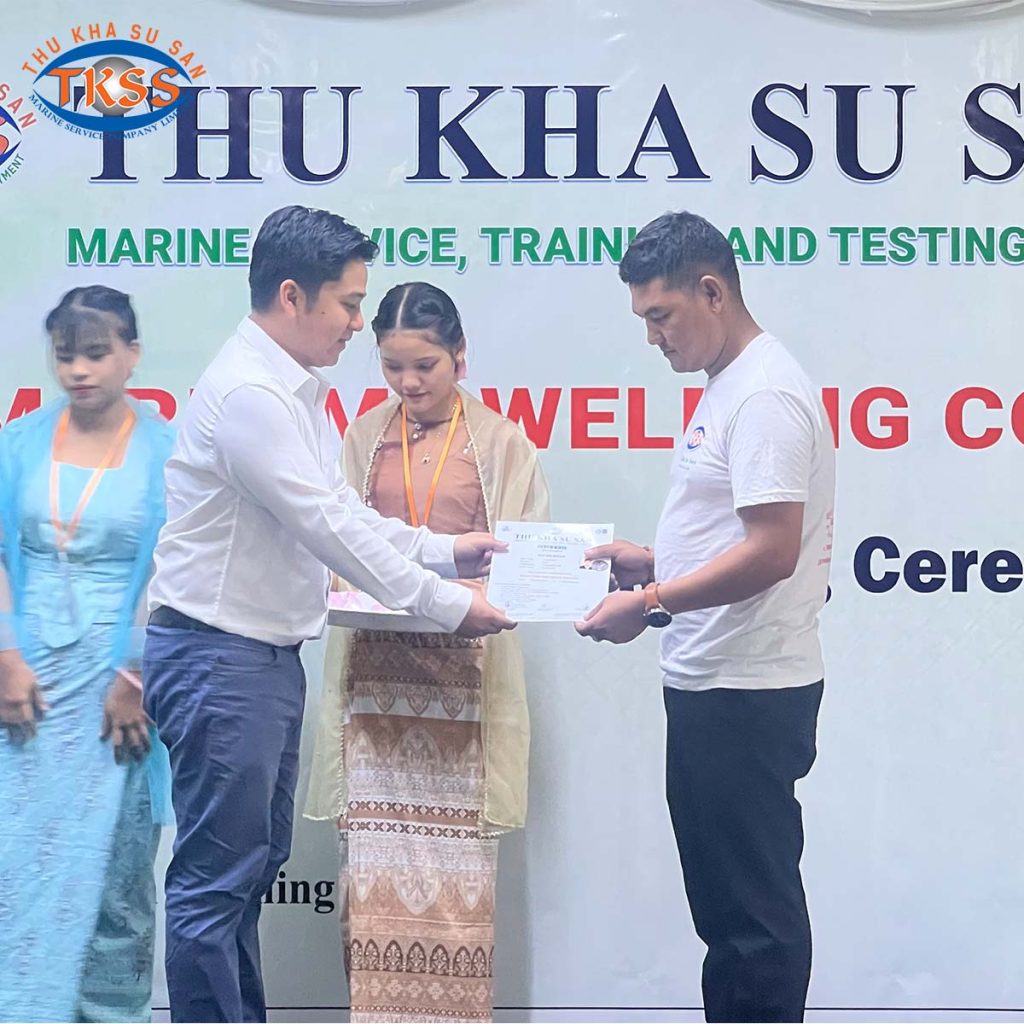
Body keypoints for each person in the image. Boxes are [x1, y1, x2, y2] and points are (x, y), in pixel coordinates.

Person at [143, 207, 516, 1024]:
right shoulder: (252, 395)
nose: (356, 323)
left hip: (257, 661)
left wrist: (447, 552)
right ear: (292, 295)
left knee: (248, 871)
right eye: (348, 304)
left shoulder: (293, 393)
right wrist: (449, 605)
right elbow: (329, 531)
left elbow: (345, 513)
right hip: (218, 659)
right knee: (215, 885)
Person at [576, 211, 835, 1023]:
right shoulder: (732, 386)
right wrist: (658, 565)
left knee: (752, 924)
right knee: (728, 918)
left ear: (713, 292)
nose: (653, 337)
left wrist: (652, 603)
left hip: (745, 690)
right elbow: (735, 537)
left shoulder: (763, 394)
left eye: (662, 315)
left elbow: (773, 551)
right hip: (717, 682)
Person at [305, 282, 550, 1023]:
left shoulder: (503, 444)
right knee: (371, 895)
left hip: (464, 689)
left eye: (425, 366)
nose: (408, 383)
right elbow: (337, 549)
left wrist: (474, 589)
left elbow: (527, 562)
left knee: (457, 898)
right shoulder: (360, 438)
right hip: (372, 693)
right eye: (392, 367)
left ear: (460, 355)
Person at [0, 285, 175, 1023]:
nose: (79, 371)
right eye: (66, 355)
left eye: (97, 354)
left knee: (115, 872)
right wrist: (6, 656)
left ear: (132, 354)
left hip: (119, 684)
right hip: (26, 683)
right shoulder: (18, 443)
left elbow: (173, 567)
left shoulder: (168, 451)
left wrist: (133, 674)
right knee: (17, 864)